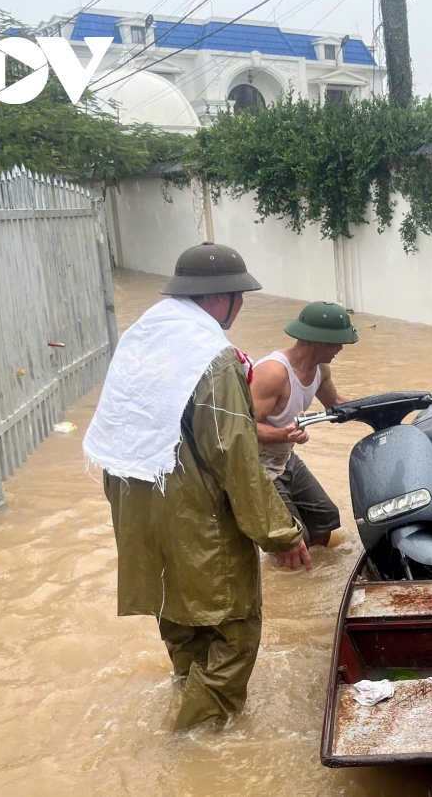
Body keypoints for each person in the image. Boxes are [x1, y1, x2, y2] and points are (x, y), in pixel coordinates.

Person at [84, 242, 306, 731]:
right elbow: (235, 456)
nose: (241, 306)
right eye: (238, 296)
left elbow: (114, 430)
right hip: (191, 512)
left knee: (181, 620)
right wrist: (280, 534)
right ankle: (192, 744)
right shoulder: (213, 357)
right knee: (233, 629)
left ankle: (187, 695)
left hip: (133, 504)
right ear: (218, 297)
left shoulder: (142, 337)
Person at [251, 302, 358, 569]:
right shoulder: (273, 373)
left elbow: (334, 403)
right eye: (338, 342)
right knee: (291, 539)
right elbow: (242, 428)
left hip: (286, 458)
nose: (341, 349)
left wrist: (379, 408)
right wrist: (282, 434)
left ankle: (309, 576)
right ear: (320, 341)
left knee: (326, 518)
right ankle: (285, 575)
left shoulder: (320, 370)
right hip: (256, 467)